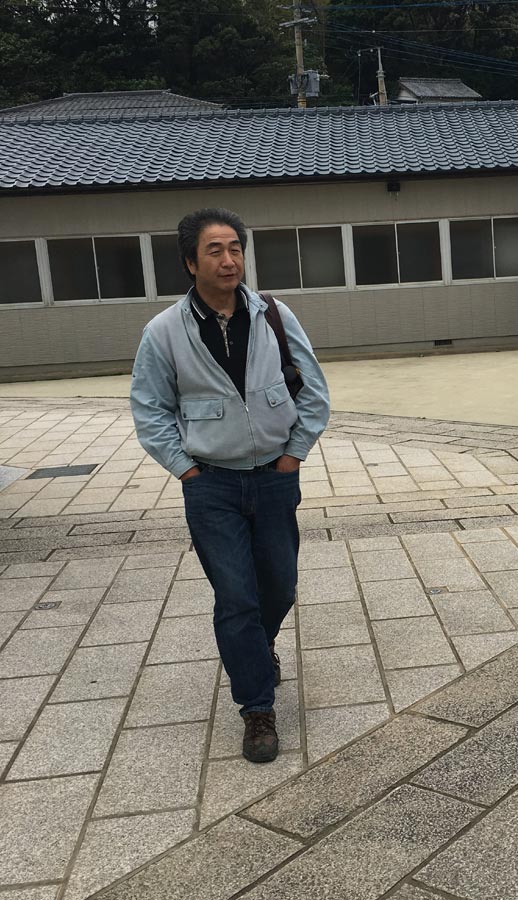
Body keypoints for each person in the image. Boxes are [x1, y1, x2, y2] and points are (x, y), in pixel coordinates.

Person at [130, 208, 330, 762]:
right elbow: (150, 410)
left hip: (274, 479)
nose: (228, 260)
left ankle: (256, 649)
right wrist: (186, 470)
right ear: (190, 262)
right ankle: (257, 707)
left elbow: (314, 390)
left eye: (235, 249)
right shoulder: (164, 331)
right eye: (214, 250)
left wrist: (293, 456)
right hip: (211, 484)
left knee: (280, 587)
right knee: (237, 596)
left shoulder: (274, 316)